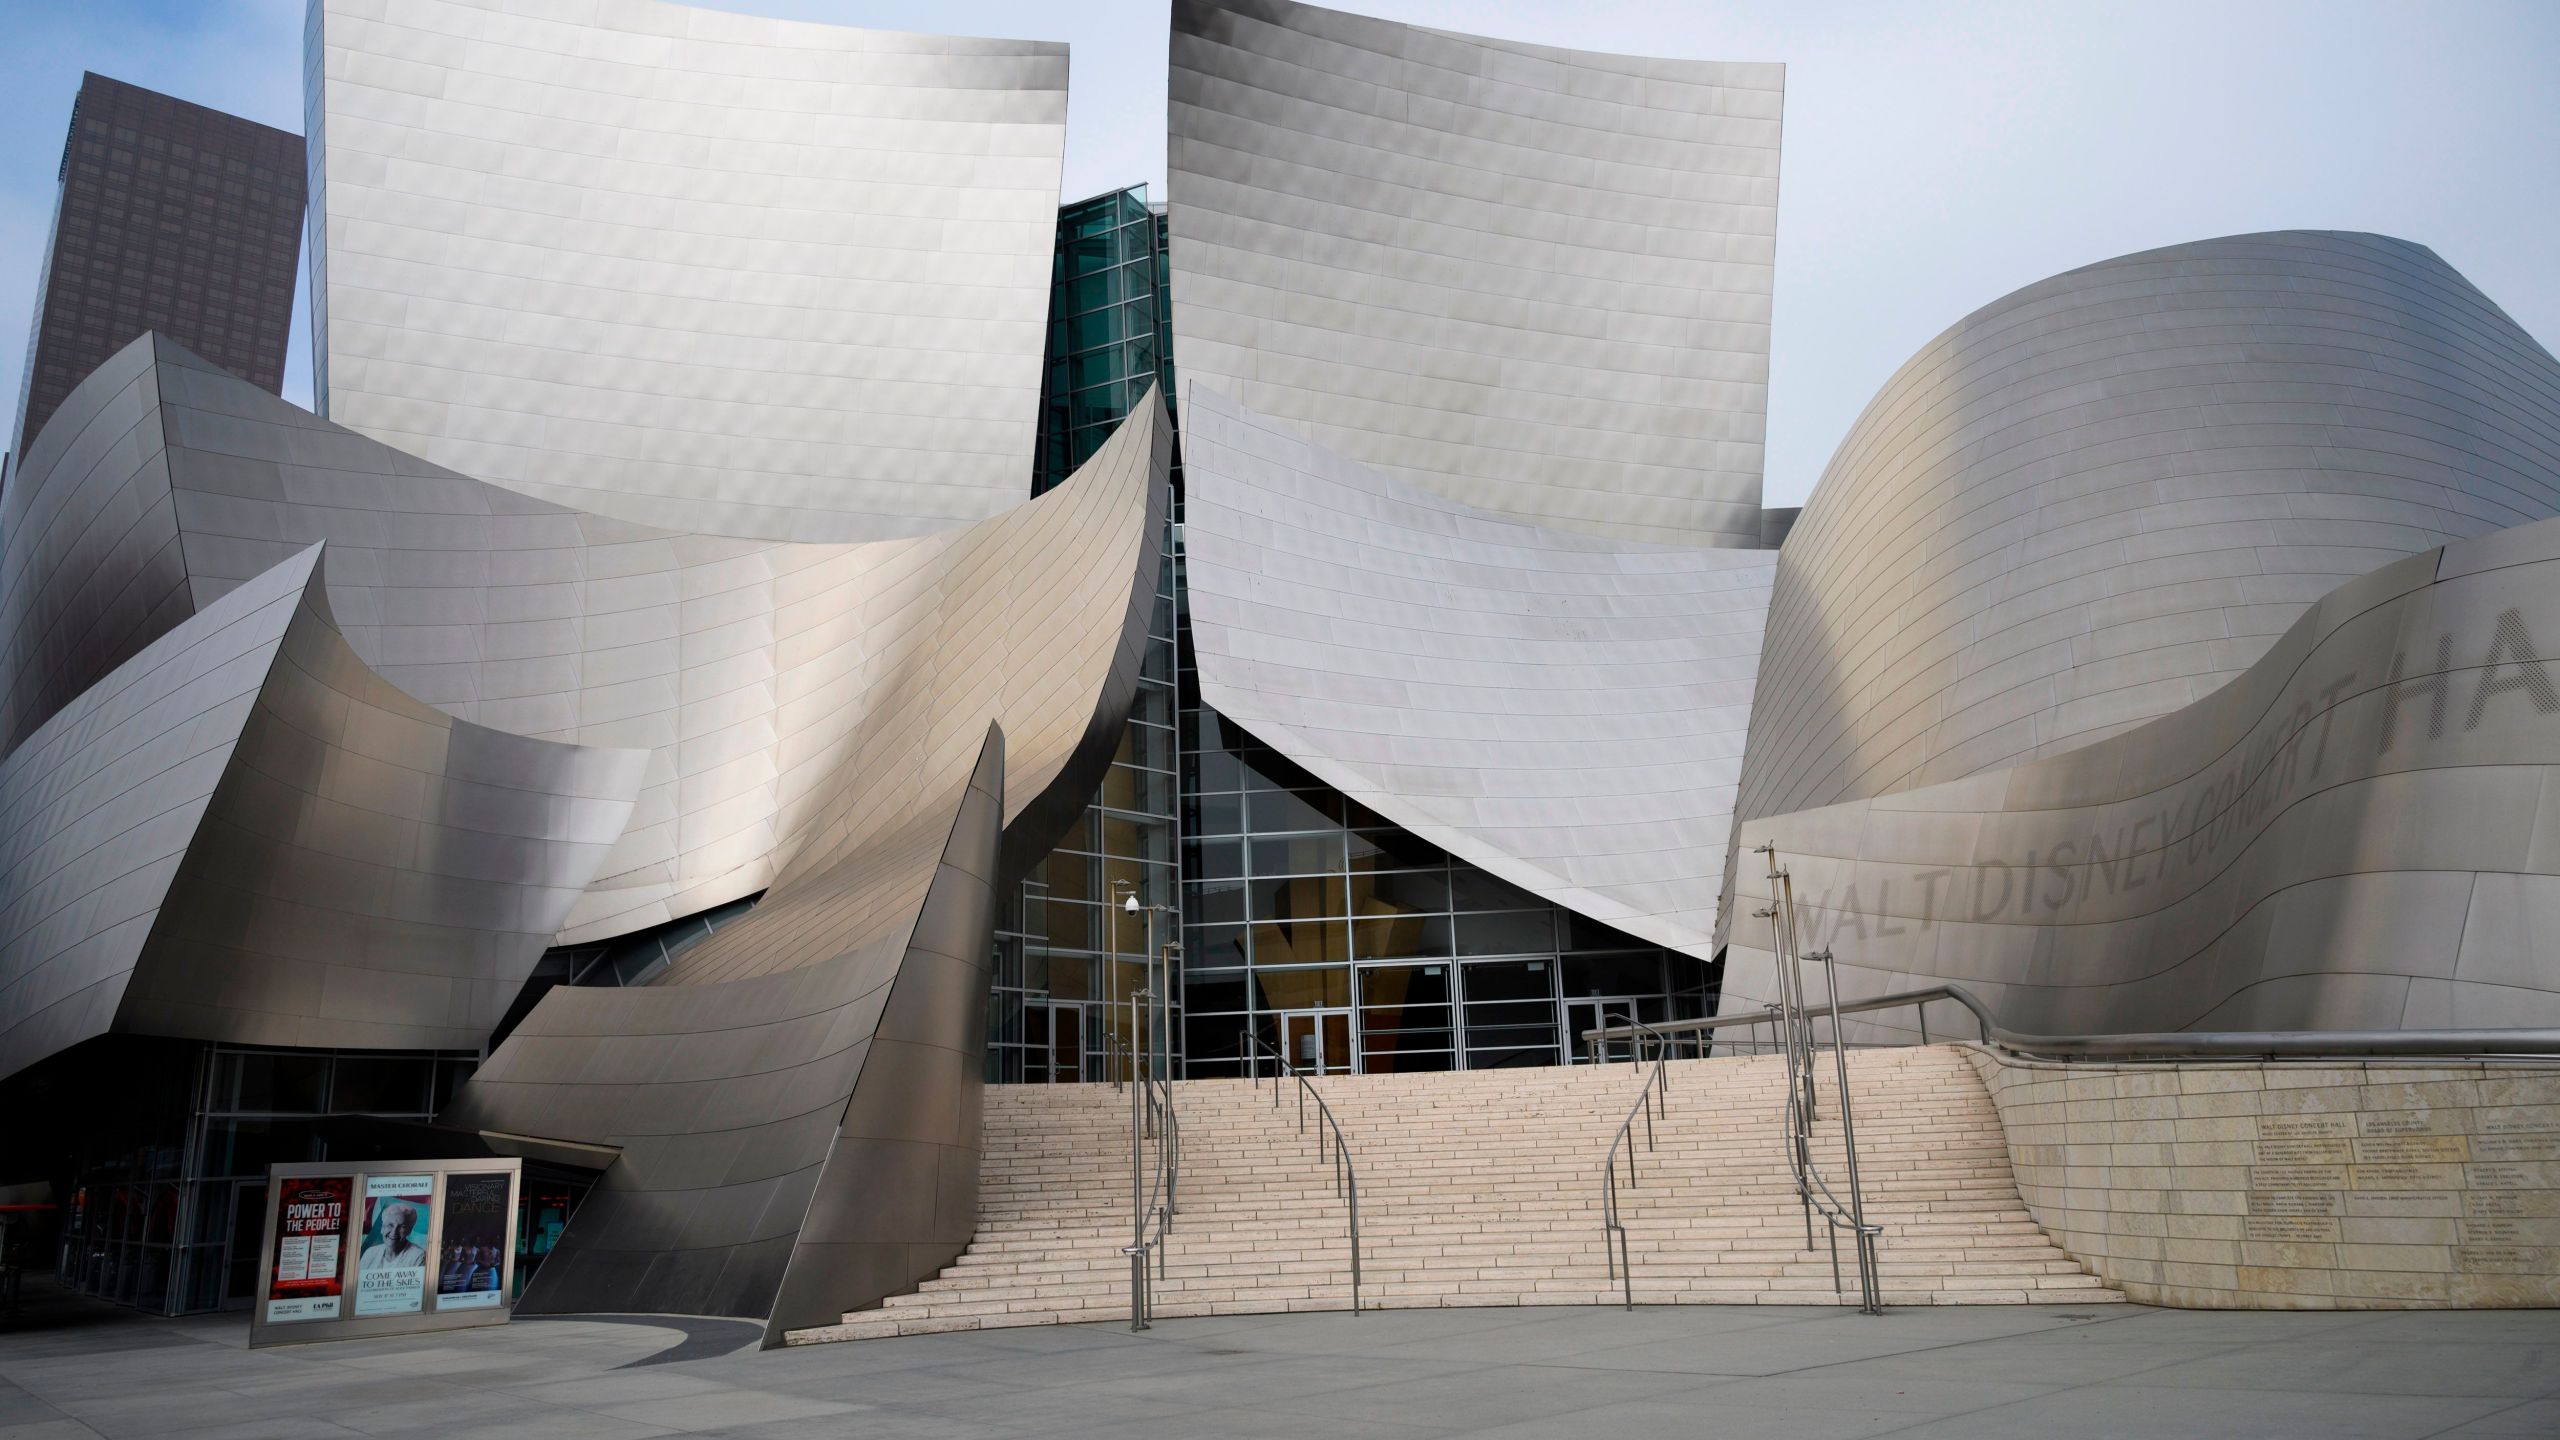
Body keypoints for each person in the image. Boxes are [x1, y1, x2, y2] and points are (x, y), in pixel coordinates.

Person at [360, 1200, 424, 1271]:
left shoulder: (418, 1256)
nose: (394, 1232)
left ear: (409, 1231)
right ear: (382, 1228)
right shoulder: (370, 1253)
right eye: (390, 1225)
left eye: (402, 1227)